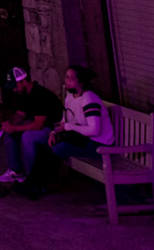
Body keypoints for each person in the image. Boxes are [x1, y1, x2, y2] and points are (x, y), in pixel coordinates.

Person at [17, 65, 115, 200]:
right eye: (66, 77)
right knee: (50, 145)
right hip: (83, 139)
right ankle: (32, 184)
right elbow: (65, 119)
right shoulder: (70, 97)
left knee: (61, 148)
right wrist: (53, 133)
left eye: (71, 78)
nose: (66, 81)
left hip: (99, 144)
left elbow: (94, 130)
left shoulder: (89, 99)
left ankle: (36, 187)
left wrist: (68, 127)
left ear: (81, 83)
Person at [0, 65, 59, 184]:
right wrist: (10, 123)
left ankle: (32, 178)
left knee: (28, 137)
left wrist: (14, 128)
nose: (14, 90)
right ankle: (16, 171)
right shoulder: (23, 94)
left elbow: (38, 125)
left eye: (15, 86)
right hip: (38, 125)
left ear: (23, 81)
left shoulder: (39, 94)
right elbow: (20, 114)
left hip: (53, 129)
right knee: (9, 133)